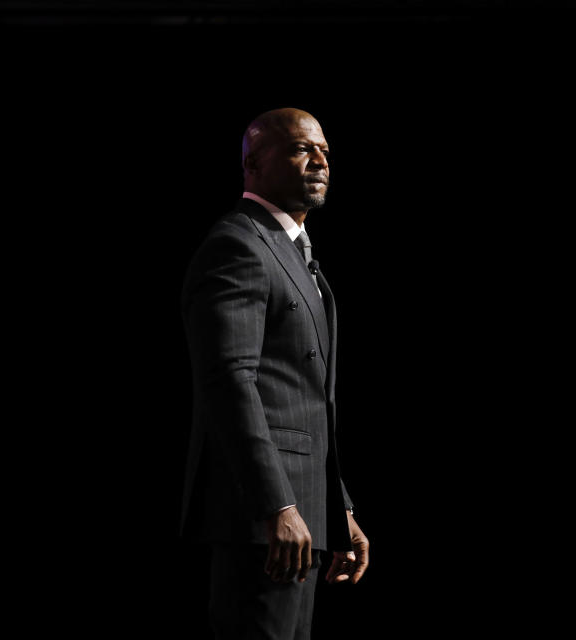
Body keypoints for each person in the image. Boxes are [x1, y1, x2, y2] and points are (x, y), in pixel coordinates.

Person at [180, 107, 369, 639]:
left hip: (302, 518)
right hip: (264, 523)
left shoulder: (288, 251)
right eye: (301, 148)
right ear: (254, 163)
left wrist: (340, 509)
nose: (320, 160)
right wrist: (277, 504)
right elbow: (229, 383)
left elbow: (302, 401)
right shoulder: (239, 244)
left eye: (326, 151)